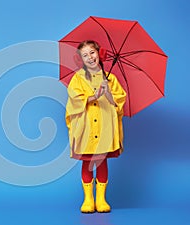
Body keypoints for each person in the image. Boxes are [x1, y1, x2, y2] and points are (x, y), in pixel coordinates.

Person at [65, 40, 126, 213]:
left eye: (92, 53)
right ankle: (88, 199)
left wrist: (107, 93)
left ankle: (101, 199)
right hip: (86, 128)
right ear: (81, 59)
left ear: (98, 53)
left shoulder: (110, 78)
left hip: (105, 126)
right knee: (87, 162)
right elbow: (75, 100)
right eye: (85, 55)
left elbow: (118, 102)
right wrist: (94, 96)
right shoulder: (77, 78)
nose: (90, 57)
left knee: (101, 161)